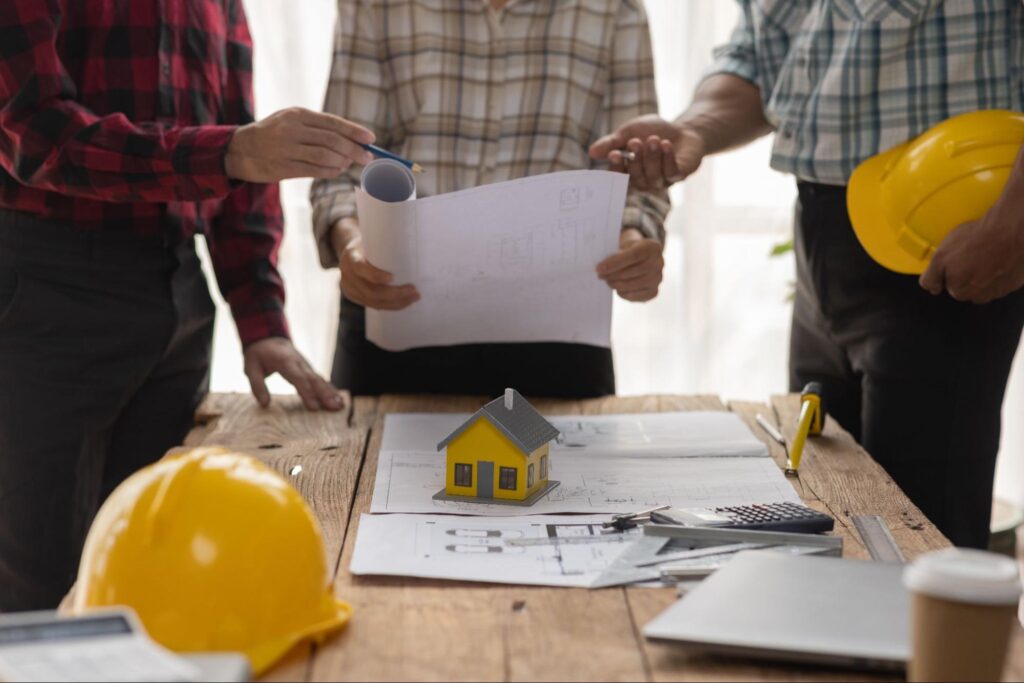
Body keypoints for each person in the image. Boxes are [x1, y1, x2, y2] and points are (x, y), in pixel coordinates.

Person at [590, 1, 1024, 549]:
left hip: (943, 241)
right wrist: (690, 129)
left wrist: (1014, 222)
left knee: (924, 542)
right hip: (824, 234)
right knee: (825, 507)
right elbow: (758, 56)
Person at [0, 0, 376, 612]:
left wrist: (261, 321)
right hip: (44, 293)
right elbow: (36, 135)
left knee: (157, 569)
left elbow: (245, 160)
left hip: (179, 294)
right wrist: (230, 153)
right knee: (38, 585)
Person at [311, 0, 670, 398]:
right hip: (392, 322)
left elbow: (637, 174)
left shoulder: (616, 9)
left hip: (558, 344)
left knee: (564, 444)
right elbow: (341, 168)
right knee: (361, 443)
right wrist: (351, 243)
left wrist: (633, 240)